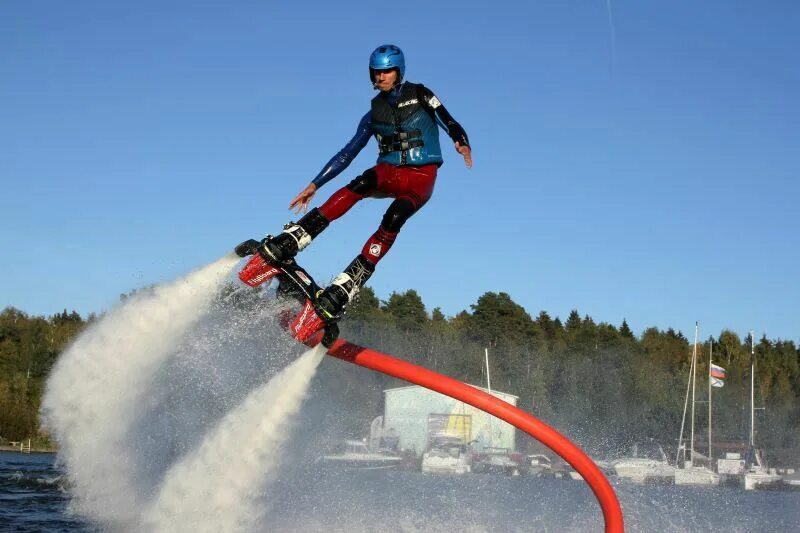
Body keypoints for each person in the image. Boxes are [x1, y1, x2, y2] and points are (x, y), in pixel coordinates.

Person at [252, 44, 471, 321]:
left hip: (422, 177)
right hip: (389, 171)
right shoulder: (372, 114)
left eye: (387, 71)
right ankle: (297, 236)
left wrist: (461, 142)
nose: (381, 77)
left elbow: (449, 121)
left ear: (398, 71)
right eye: (376, 72)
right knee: (364, 181)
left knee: (394, 217)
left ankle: (349, 283)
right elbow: (347, 153)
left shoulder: (421, 94)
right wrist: (315, 184)